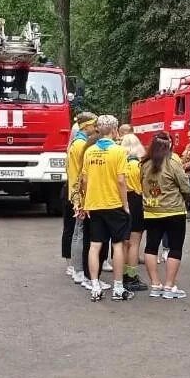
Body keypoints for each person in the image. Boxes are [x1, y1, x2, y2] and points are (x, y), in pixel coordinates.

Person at [79, 115, 134, 301]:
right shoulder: (119, 152)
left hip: (94, 204)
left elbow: (84, 180)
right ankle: (118, 287)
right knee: (117, 244)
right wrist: (125, 204)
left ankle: (95, 285)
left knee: (95, 245)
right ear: (114, 130)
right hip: (113, 203)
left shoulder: (89, 151)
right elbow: (121, 180)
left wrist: (86, 202)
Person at [140, 132, 190, 299]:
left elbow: (142, 184)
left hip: (151, 210)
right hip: (174, 211)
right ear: (169, 145)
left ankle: (155, 285)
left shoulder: (144, 164)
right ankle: (169, 286)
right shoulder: (173, 162)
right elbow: (185, 186)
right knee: (175, 248)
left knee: (151, 246)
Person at [65, 113, 97, 277]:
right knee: (80, 231)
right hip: (80, 193)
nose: (96, 127)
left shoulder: (76, 142)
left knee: (78, 230)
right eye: (94, 124)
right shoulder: (80, 144)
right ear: (86, 126)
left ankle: (75, 267)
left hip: (75, 191)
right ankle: (78, 269)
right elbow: (84, 171)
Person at [119, 134, 148, 292]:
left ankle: (121, 273)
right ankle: (131, 275)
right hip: (136, 202)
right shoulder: (138, 165)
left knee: (123, 242)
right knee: (135, 242)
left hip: (122, 201)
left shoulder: (120, 162)